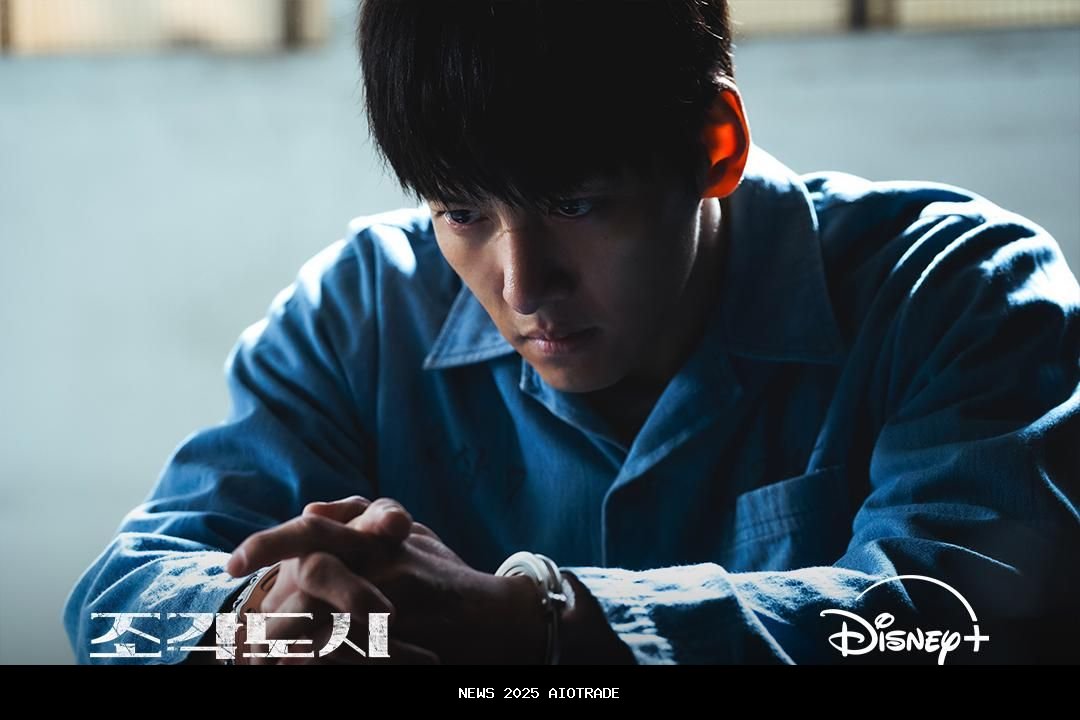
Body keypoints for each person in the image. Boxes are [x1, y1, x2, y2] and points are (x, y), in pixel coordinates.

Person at [64, 0, 1079, 665]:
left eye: (575, 204)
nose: (520, 286)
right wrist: (267, 618)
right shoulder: (360, 311)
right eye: (462, 211)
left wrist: (535, 622)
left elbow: (967, 622)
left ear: (714, 145)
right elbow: (116, 600)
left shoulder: (956, 292)